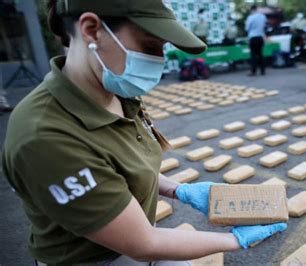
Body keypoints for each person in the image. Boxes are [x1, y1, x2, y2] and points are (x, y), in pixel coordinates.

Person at [1, 0, 287, 265]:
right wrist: (235, 240)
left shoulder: (114, 91)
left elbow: (123, 166)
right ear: (91, 30)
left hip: (132, 243)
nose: (159, 61)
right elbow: (144, 243)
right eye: (150, 46)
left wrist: (179, 190)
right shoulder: (46, 138)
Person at [245, 5, 267, 76]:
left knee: (253, 55)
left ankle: (253, 71)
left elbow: (247, 28)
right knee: (260, 54)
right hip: (260, 37)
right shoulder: (263, 16)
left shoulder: (250, 17)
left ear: (252, 10)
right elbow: (265, 26)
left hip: (253, 37)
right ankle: (262, 70)